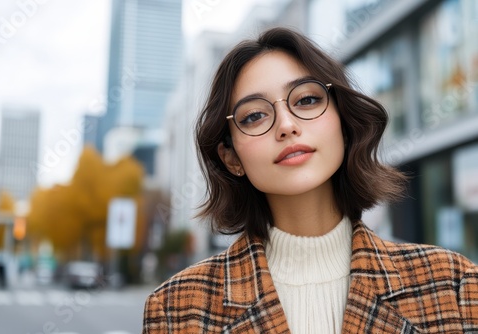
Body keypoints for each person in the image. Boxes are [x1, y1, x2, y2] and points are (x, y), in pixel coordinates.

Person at [142, 27, 478, 333]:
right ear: (232, 157)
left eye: (306, 99)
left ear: (343, 122)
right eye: (255, 115)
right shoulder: (177, 310)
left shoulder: (454, 285)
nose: (286, 125)